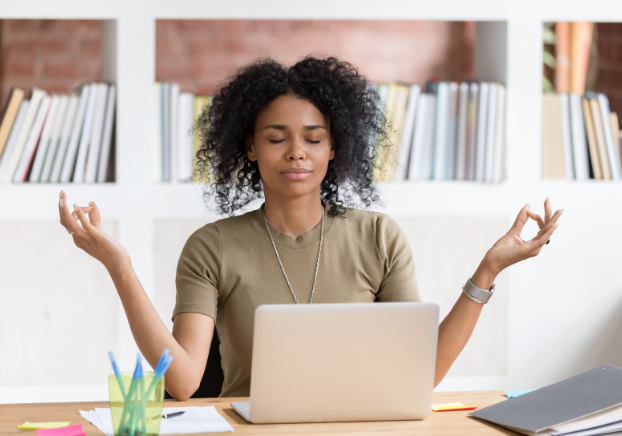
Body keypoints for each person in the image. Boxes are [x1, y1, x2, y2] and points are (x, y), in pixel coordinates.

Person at [58, 57, 562, 401]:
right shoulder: (211, 247)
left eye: (313, 138)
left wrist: (488, 268)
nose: (296, 152)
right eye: (277, 138)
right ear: (250, 148)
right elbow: (185, 383)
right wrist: (119, 266)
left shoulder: (379, 238)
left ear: (334, 148)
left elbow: (420, 375)